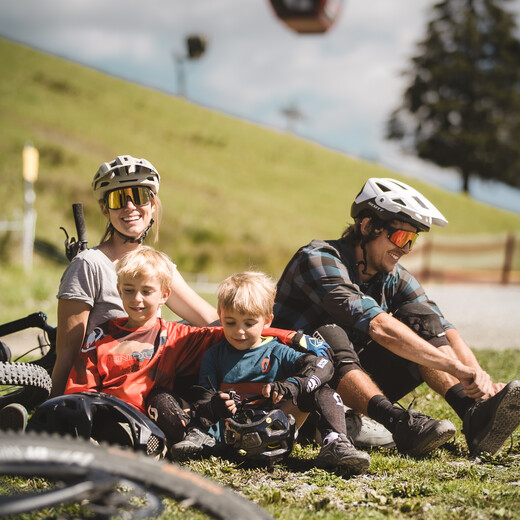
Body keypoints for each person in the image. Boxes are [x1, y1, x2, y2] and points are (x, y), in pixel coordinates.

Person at [273, 177, 520, 457]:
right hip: (295, 393)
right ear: (367, 227)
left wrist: (480, 381)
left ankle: (472, 413)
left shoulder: (393, 277)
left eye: (412, 240)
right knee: (328, 334)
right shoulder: (318, 258)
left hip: (348, 388)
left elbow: (442, 327)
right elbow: (379, 327)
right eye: (401, 237)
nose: (405, 249)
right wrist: (454, 367)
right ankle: (397, 422)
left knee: (420, 318)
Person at [62, 248, 321, 448]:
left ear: (164, 295)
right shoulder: (102, 335)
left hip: (146, 422)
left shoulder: (176, 336)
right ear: (118, 290)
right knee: (73, 416)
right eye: (128, 290)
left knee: (160, 407)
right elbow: (81, 385)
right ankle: (60, 432)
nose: (136, 299)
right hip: (103, 411)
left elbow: (233, 330)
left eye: (146, 291)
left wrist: (290, 337)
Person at [51, 155, 218, 398]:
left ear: (152, 205)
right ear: (105, 210)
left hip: (148, 385)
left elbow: (209, 319)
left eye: (139, 196)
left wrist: (260, 333)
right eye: (118, 199)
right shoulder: (88, 265)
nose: (130, 207)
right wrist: (49, 416)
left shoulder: (159, 266)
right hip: (103, 388)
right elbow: (67, 354)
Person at [170, 271, 371, 474]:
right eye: (230, 322)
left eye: (249, 323)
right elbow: (202, 402)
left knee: (321, 388)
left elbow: (323, 365)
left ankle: (336, 443)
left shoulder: (278, 351)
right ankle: (203, 441)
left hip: (276, 428)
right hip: (230, 434)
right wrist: (216, 406)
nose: (239, 331)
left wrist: (292, 385)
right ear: (220, 315)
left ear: (267, 321)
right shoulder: (213, 355)